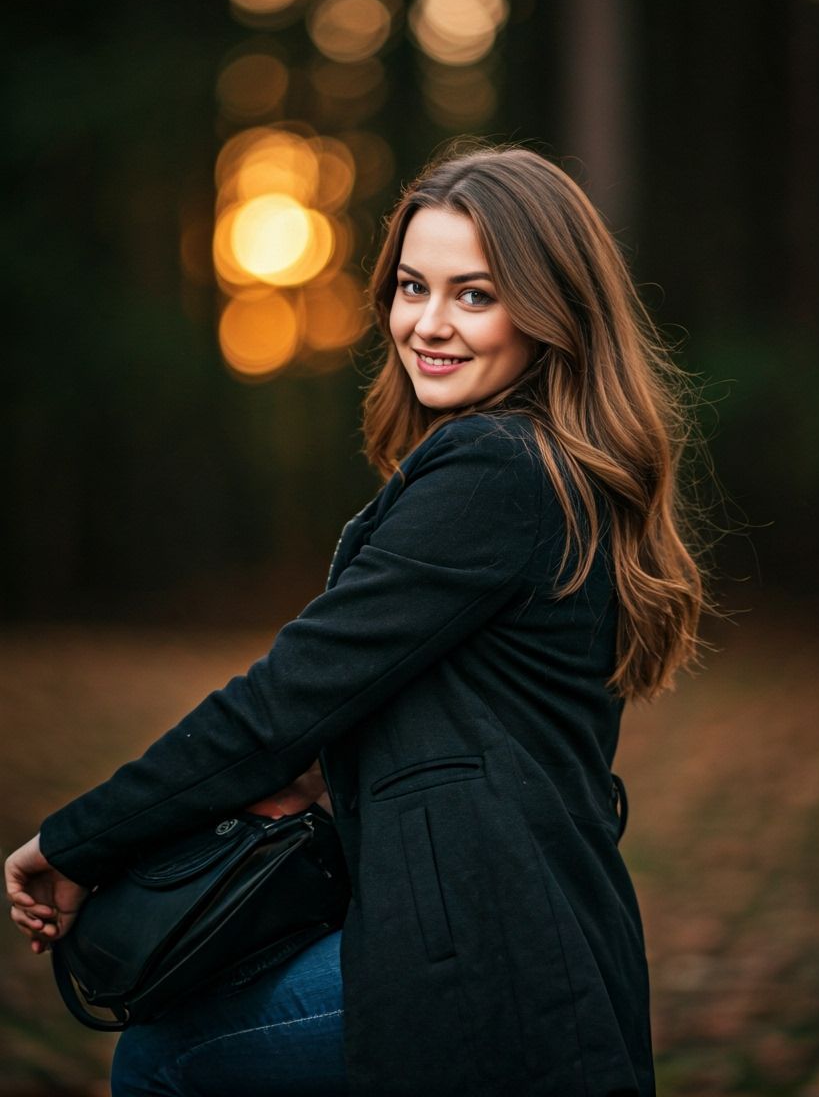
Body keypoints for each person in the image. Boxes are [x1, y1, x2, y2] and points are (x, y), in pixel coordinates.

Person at [5, 144, 707, 1097]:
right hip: (520, 937)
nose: (428, 323)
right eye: (413, 286)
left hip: (487, 960)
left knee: (166, 1059)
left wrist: (81, 840)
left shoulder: (501, 474)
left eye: (474, 294)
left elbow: (284, 699)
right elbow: (418, 710)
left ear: (552, 313)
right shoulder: (540, 469)